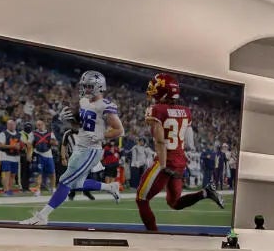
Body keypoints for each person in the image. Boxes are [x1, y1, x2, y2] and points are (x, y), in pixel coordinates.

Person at [20, 71, 123, 226]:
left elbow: (119, 130)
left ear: (99, 87)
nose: (86, 89)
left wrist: (101, 136)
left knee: (65, 182)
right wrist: (66, 120)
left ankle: (42, 216)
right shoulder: (84, 102)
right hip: (80, 147)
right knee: (76, 184)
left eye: (89, 86)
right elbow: (81, 126)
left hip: (91, 150)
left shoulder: (105, 105)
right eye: (85, 86)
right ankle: (110, 187)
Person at [134, 73, 224, 232]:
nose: (152, 90)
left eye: (155, 87)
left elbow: (160, 141)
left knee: (141, 199)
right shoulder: (186, 111)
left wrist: (162, 165)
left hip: (165, 161)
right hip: (179, 161)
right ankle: (205, 193)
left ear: (163, 91)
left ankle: (153, 234)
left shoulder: (156, 109)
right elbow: (189, 143)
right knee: (174, 203)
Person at [28, 120, 58, 195]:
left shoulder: (50, 133)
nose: (39, 126)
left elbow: (56, 143)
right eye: (38, 125)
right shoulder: (33, 133)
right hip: (38, 155)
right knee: (39, 173)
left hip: (48, 155)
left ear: (44, 125)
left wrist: (53, 142)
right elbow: (29, 144)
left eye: (40, 124)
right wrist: (29, 154)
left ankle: (53, 188)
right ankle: (38, 190)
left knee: (52, 172)